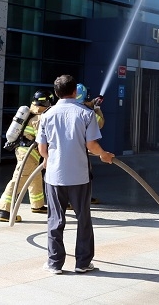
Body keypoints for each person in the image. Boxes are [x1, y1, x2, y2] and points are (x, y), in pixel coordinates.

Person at [36, 75, 114, 275]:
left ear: (56, 93)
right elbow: (92, 145)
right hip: (79, 176)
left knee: (55, 219)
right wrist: (104, 155)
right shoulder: (86, 114)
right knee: (83, 219)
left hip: (54, 176)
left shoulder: (47, 115)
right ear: (74, 92)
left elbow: (42, 148)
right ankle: (82, 263)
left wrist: (48, 160)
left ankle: (54, 263)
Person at [0, 90, 54, 222]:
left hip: (25, 151)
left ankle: (37, 205)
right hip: (29, 153)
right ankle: (4, 210)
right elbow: (43, 138)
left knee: (35, 177)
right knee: (19, 179)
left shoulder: (32, 113)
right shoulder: (40, 118)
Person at [76, 83, 104, 205]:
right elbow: (100, 123)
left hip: (67, 151)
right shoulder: (87, 112)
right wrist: (97, 109)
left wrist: (94, 102)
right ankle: (81, 199)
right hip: (81, 151)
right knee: (83, 175)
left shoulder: (63, 108)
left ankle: (78, 199)